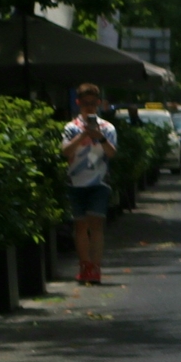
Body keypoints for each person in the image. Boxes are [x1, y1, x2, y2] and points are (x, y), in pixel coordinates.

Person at [61, 84, 119, 284]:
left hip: (99, 182)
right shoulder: (71, 128)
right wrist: (84, 135)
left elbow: (111, 153)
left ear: (99, 104)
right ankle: (84, 264)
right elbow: (66, 152)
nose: (89, 107)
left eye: (93, 103)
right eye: (85, 103)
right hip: (76, 182)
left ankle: (95, 267)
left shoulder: (108, 128)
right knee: (80, 226)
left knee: (96, 225)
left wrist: (100, 137)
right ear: (78, 103)